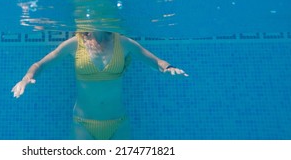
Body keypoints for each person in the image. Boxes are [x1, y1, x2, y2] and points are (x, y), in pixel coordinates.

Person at [11, 31, 188, 140]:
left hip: (118, 124)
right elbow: (41, 64)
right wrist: (27, 77)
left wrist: (168, 68)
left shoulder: (123, 42)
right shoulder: (75, 43)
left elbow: (156, 61)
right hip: (83, 124)